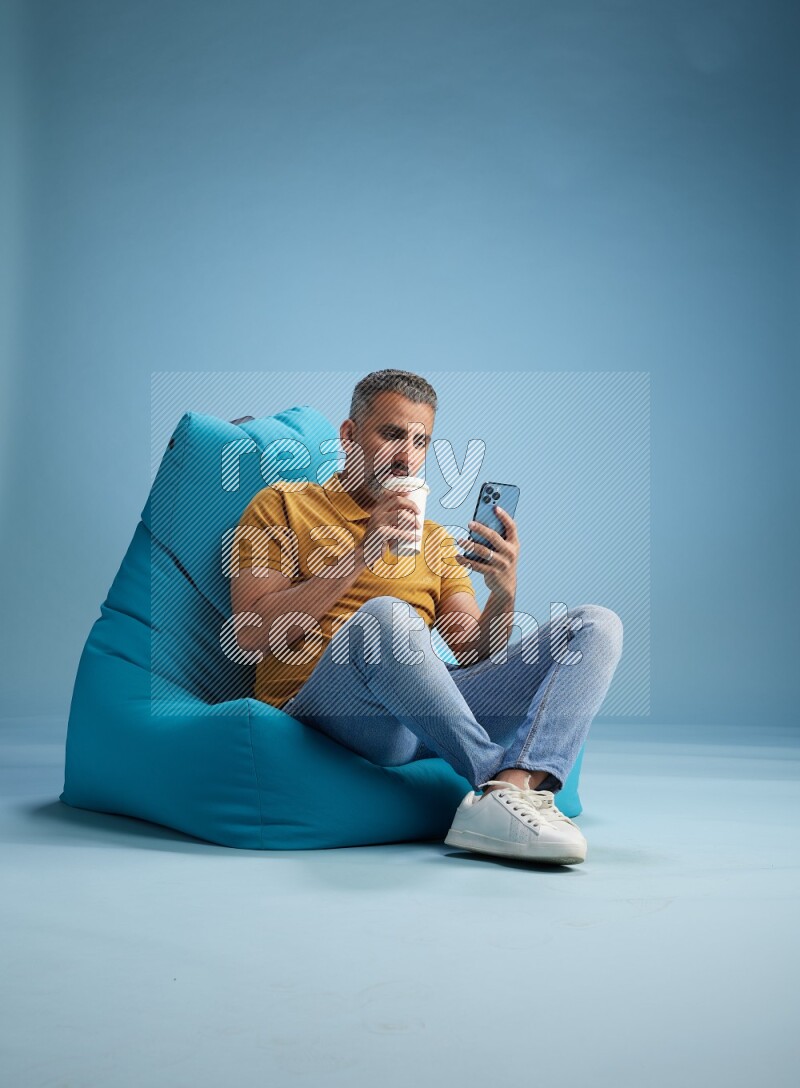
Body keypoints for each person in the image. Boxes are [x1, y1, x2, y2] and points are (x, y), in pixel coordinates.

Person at [230, 369, 624, 865]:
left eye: (420, 442)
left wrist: (503, 592)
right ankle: (492, 783)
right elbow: (252, 633)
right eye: (392, 434)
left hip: (422, 717)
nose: (407, 456)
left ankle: (515, 786)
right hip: (327, 708)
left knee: (596, 625)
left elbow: (475, 652)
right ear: (349, 435)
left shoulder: (434, 540)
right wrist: (363, 551)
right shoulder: (284, 505)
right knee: (387, 618)